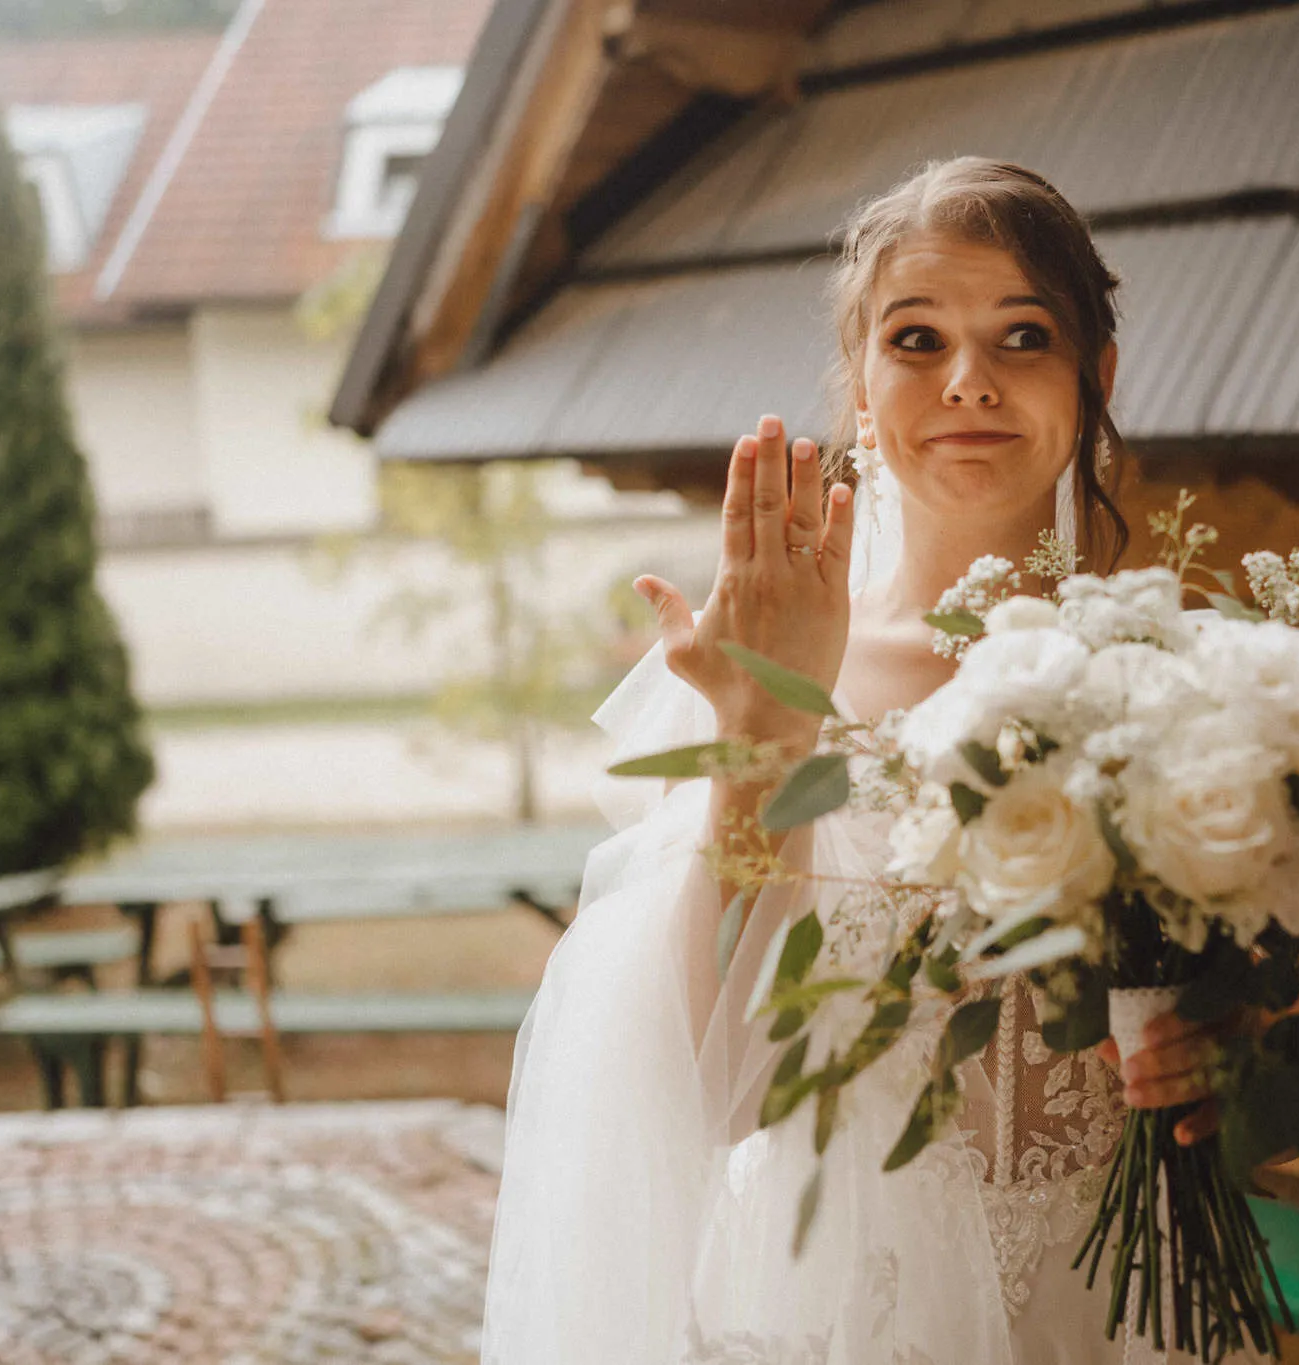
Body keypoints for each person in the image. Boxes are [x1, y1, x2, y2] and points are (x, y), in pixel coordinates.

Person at [482, 158, 1238, 1364]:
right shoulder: (774, 658)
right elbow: (715, 1089)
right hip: (859, 1310)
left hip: (1124, 1305)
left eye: (1023, 335)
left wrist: (1218, 1059)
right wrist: (761, 738)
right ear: (859, 385)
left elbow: (1253, 1039)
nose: (968, 381)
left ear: (1095, 375)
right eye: (916, 339)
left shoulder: (1189, 672)